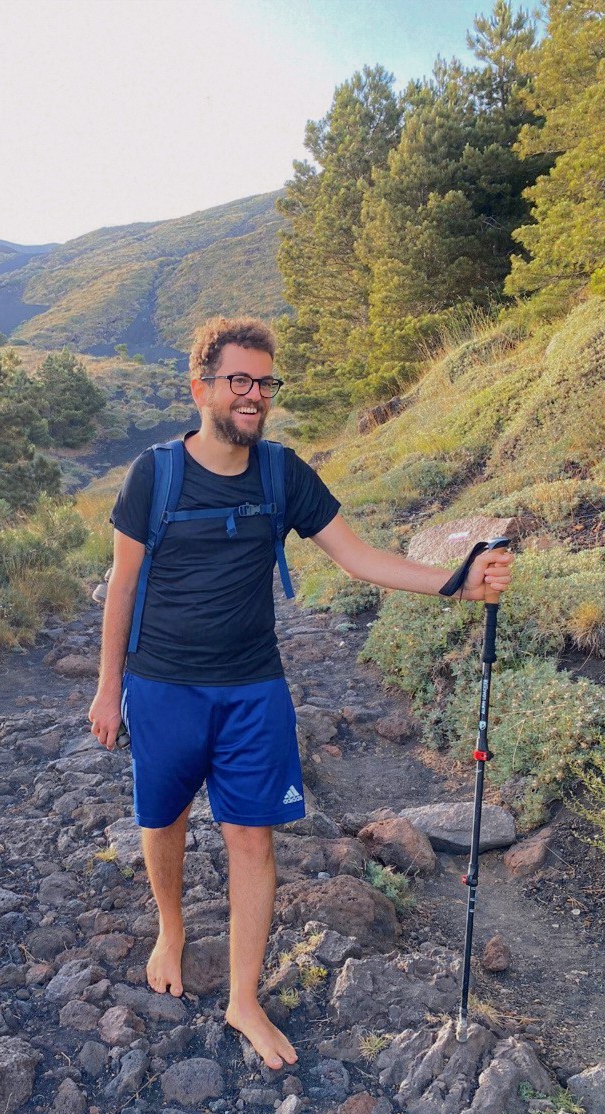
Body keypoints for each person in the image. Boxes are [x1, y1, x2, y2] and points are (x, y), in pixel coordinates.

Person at [88, 315, 513, 1071]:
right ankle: (172, 927)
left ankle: (243, 998)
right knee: (164, 819)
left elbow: (357, 557)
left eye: (265, 383)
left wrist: (457, 581)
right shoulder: (154, 475)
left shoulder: (283, 474)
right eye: (239, 381)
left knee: (252, 836)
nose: (254, 396)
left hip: (253, 688)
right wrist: (106, 685)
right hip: (163, 686)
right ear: (202, 388)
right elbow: (122, 585)